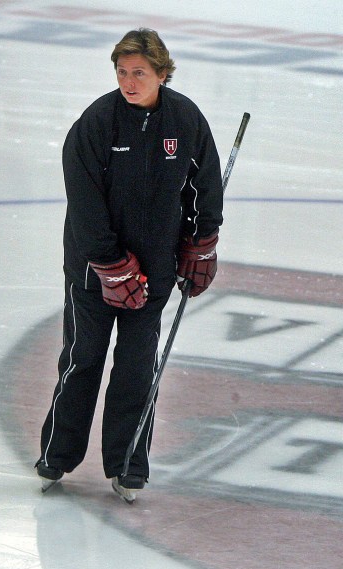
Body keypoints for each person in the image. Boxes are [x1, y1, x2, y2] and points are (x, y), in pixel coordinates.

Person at [35, 28, 224, 503]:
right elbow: (84, 201)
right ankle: (57, 456)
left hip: (156, 270)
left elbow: (205, 186)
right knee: (82, 361)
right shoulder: (97, 122)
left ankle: (127, 465)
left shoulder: (185, 120)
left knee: (138, 370)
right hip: (92, 272)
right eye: (122, 72)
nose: (128, 81)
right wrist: (109, 263)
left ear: (162, 73)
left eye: (139, 72)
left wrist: (202, 241)